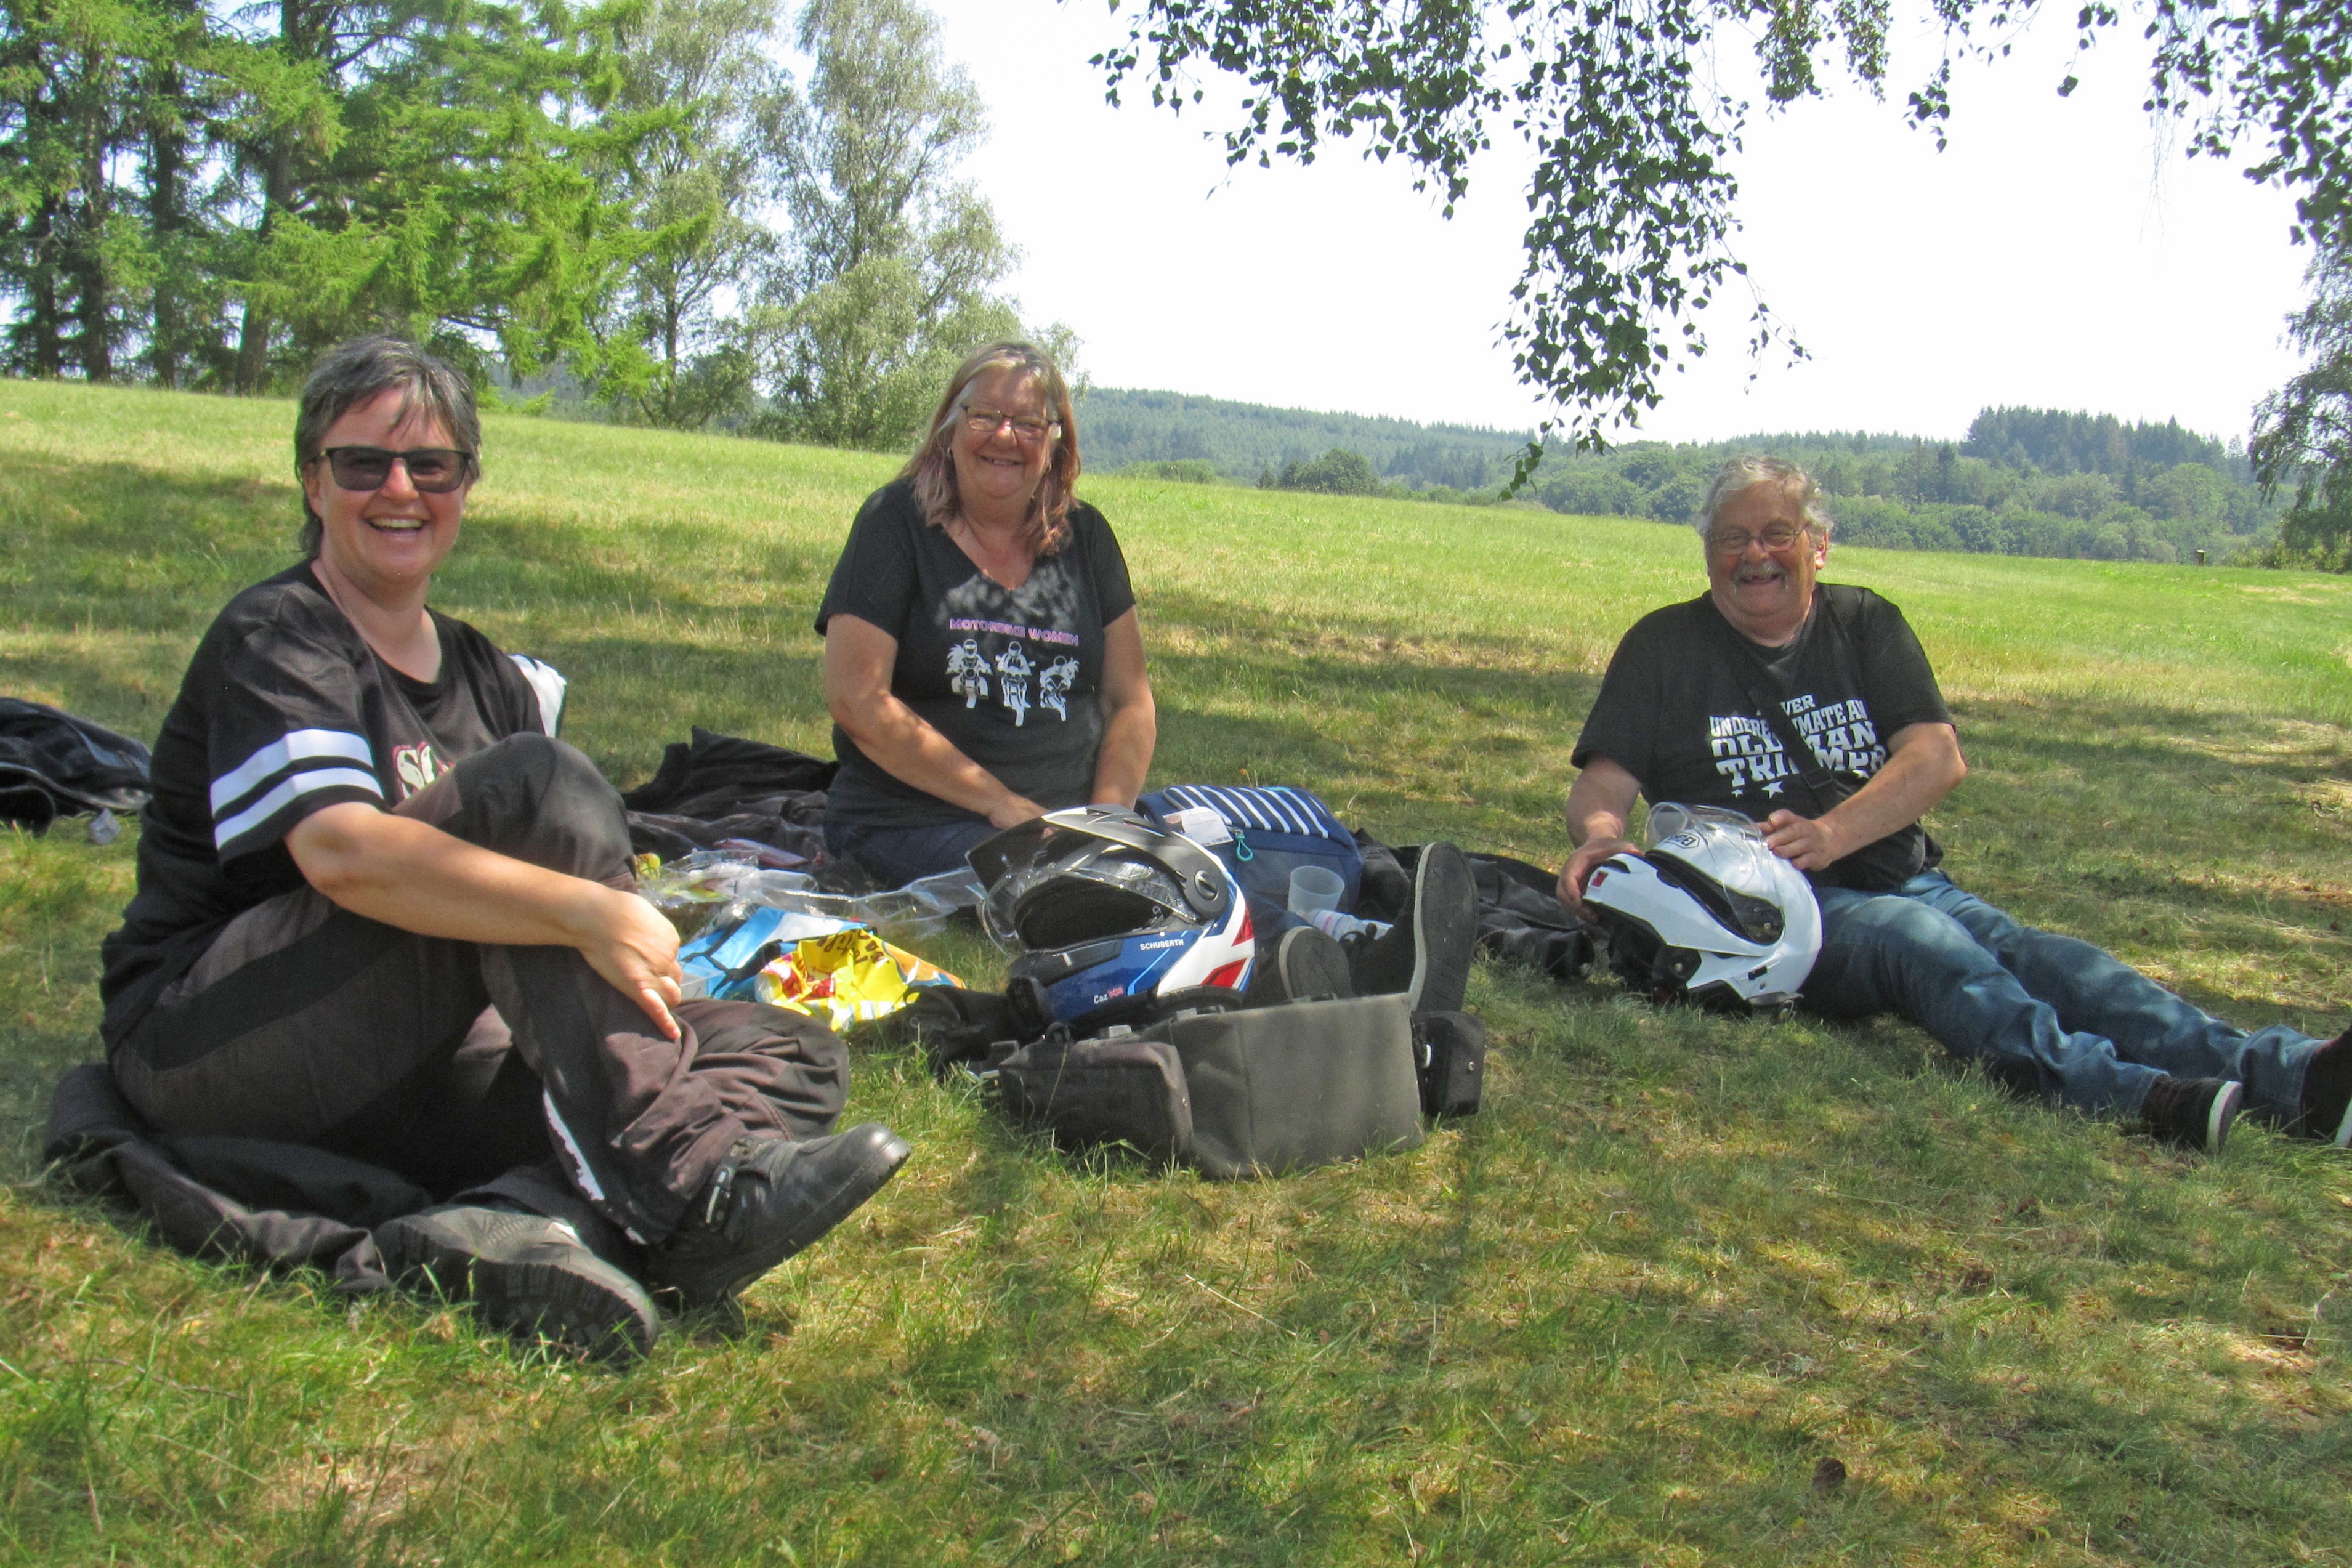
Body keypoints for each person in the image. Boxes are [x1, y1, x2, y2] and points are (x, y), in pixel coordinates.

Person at [95, 337, 910, 1360]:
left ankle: (529, 1229)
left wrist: (622, 952)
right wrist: (585, 910)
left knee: (783, 1047)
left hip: (415, 1050)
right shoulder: (281, 636)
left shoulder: (487, 676)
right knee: (539, 789)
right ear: (313, 481)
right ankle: (691, 1188)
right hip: (215, 1043)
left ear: (465, 483)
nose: (399, 489)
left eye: (430, 465)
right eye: (362, 464)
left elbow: (558, 911)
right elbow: (344, 855)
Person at [1556, 454, 2350, 1154]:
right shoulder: (1664, 646)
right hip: (1768, 916)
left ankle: (2291, 1077)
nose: (1755, 553)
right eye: (1733, 538)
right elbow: (1605, 780)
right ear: (1708, 554)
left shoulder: (1865, 623)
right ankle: (2133, 1096)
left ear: (1818, 546)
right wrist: (1599, 839)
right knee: (1921, 942)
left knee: (2050, 958)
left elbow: (1936, 757)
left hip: (1897, 871)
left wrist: (1833, 832)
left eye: (1777, 533)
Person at [817, 341, 1155, 889]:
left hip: (1069, 821)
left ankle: (1319, 946)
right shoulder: (894, 523)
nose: (1004, 436)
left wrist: (1109, 820)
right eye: (985, 416)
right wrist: (1000, 803)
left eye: (1027, 422)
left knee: (1195, 868)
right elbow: (857, 700)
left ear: (1053, 442)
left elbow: (1129, 699)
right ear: (950, 427)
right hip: (913, 819)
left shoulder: (1087, 536)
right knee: (1072, 894)